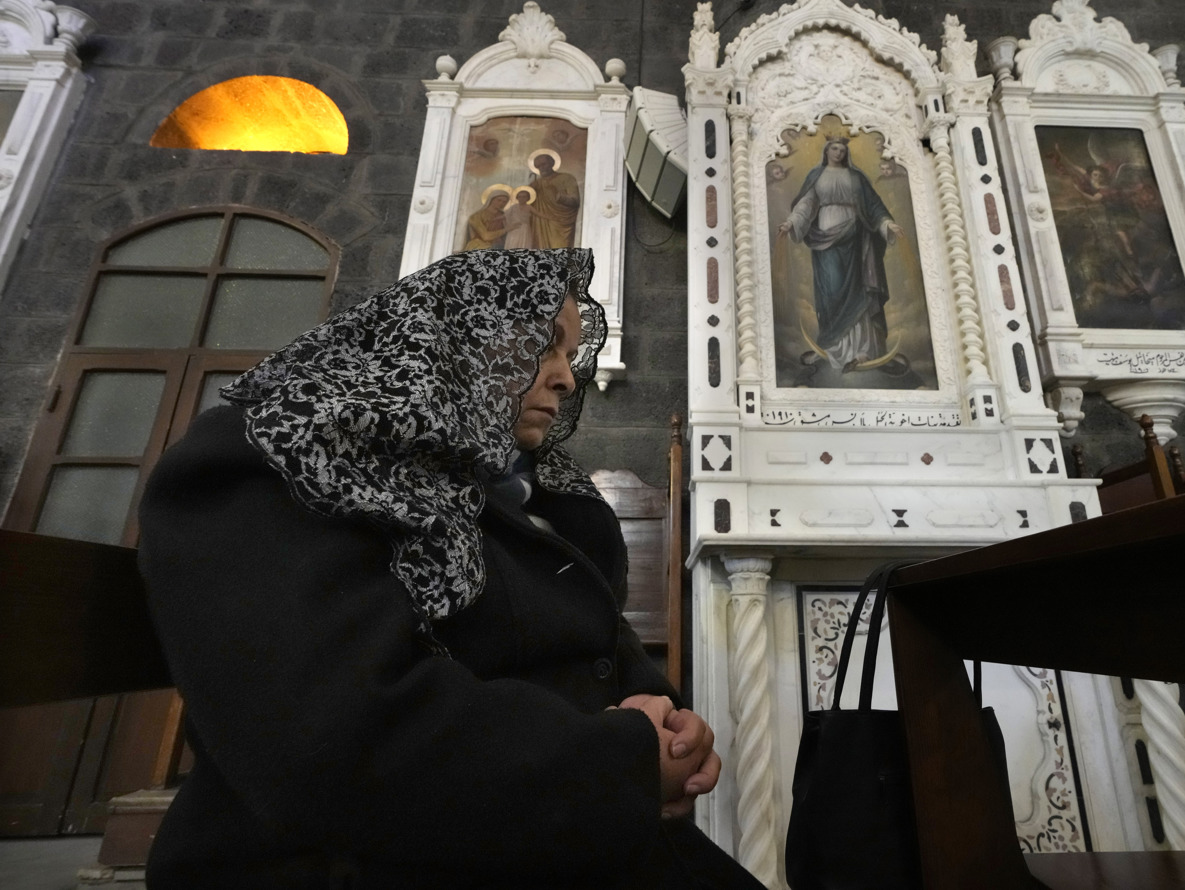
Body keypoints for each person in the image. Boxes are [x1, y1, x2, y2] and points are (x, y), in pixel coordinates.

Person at [137, 249, 763, 889]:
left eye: (570, 356)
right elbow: (335, 739)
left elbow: (599, 640)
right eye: (544, 345)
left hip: (544, 829)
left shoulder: (516, 496)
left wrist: (669, 725)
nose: (566, 379)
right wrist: (624, 761)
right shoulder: (288, 449)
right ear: (455, 335)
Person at [777, 138, 906, 372]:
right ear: (826, 151)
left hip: (856, 239)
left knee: (859, 289)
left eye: (843, 150)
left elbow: (873, 205)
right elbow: (806, 205)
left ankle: (864, 350)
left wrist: (887, 224)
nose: (838, 153)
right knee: (831, 291)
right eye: (834, 149)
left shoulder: (856, 177)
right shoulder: (817, 176)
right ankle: (833, 348)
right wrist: (791, 222)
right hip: (825, 243)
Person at [527, 151, 580, 249]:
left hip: (561, 222)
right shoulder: (536, 184)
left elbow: (575, 201)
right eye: (538, 166)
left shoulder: (566, 178)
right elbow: (526, 205)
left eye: (544, 164)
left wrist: (558, 195)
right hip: (540, 223)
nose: (541, 168)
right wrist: (531, 192)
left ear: (552, 163)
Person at [502, 186, 537, 250]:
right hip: (514, 229)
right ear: (517, 198)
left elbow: (538, 214)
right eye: (520, 197)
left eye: (524, 197)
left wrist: (550, 217)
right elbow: (505, 216)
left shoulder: (529, 207)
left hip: (524, 230)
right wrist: (493, 219)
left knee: (523, 245)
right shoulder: (514, 207)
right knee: (513, 244)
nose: (521, 198)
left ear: (528, 198)